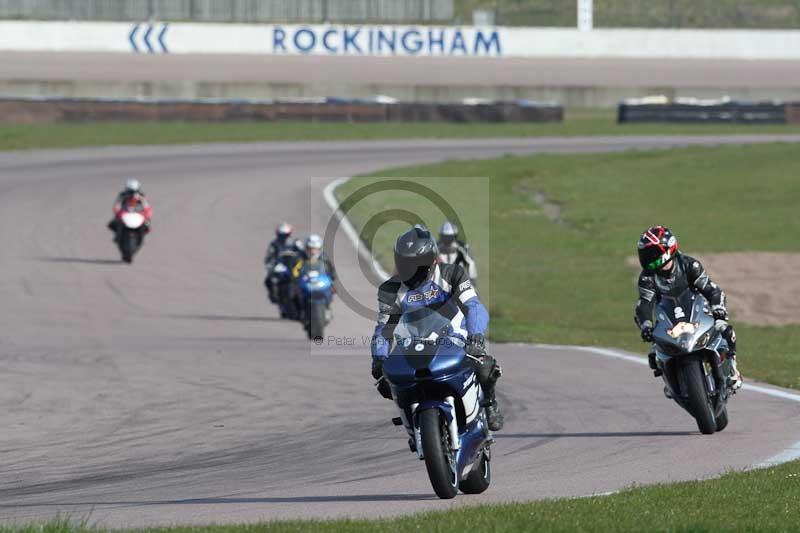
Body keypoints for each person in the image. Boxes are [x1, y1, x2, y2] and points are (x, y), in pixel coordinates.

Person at [370, 225, 503, 431]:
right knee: (387, 382)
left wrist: (476, 335)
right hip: (413, 345)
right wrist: (379, 358)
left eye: (417, 264)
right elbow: (384, 328)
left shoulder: (453, 274)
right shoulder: (390, 290)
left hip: (454, 338)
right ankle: (412, 423)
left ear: (432, 260)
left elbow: (474, 306)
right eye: (406, 263)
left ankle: (489, 404)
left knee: (483, 366)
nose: (412, 270)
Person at [635, 225, 742, 389]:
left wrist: (719, 312)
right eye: (645, 254)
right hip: (668, 321)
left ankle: (732, 370)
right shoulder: (647, 278)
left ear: (667, 250)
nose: (648, 258)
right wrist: (646, 325)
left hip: (697, 313)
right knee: (653, 357)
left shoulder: (689, 265)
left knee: (727, 331)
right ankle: (670, 380)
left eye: (652, 254)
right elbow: (644, 304)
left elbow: (712, 290)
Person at [264, 222, 294, 303]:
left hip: (293, 265)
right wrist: (270, 266)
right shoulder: (274, 244)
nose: (283, 237)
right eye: (281, 235)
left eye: (285, 235)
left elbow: (303, 252)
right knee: (269, 280)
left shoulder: (295, 242)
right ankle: (274, 295)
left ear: (289, 234)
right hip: (280, 265)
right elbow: (269, 257)